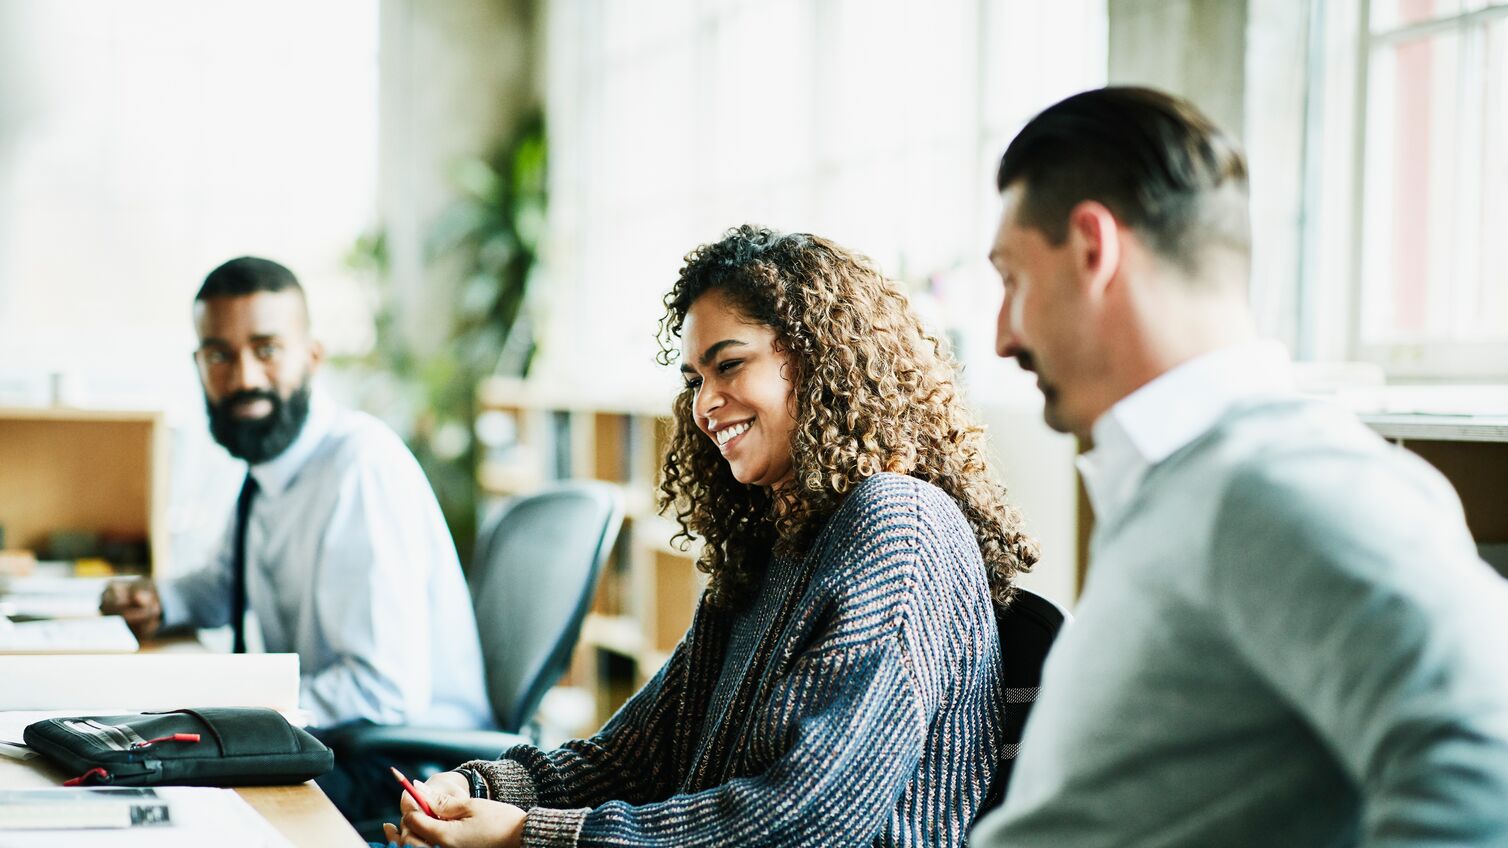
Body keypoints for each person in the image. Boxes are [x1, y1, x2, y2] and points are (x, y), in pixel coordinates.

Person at [383, 225, 1039, 847]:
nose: (703, 404)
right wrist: (475, 786)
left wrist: (530, 835)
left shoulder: (898, 529)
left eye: (729, 365)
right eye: (695, 379)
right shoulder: (770, 547)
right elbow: (635, 758)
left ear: (817, 358)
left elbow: (811, 822)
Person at [971, 87, 1508, 846]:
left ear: (1094, 249)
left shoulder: (1281, 481)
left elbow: (1486, 757)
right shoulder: (1187, 487)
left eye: (1011, 281)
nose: (1001, 336)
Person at [99, 257, 493, 809]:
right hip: (338, 740)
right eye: (220, 355)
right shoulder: (268, 472)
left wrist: (239, 708)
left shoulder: (359, 467)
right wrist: (161, 599)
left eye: (266, 349)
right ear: (199, 365)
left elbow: (383, 689)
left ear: (311, 357)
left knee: (186, 801)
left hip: (410, 769)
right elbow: (226, 582)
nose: (244, 377)